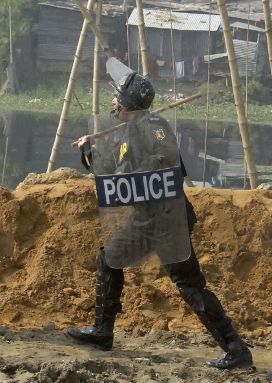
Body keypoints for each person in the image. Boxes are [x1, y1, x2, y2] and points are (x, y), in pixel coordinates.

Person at [68, 62, 253, 370]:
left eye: (117, 97)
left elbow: (168, 164)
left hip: (169, 220)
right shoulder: (126, 132)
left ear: (129, 104)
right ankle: (103, 332)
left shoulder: (155, 128)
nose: (113, 101)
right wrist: (90, 149)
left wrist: (140, 168)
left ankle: (236, 350)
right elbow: (107, 171)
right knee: (108, 258)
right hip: (146, 220)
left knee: (189, 285)